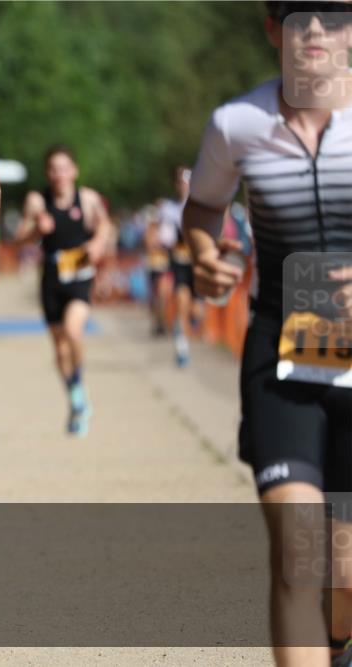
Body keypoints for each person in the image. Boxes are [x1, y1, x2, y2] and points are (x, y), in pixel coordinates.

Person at [182, 3, 351, 665]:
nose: (315, 28)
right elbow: (202, 209)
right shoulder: (237, 124)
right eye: (297, 12)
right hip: (281, 357)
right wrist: (204, 254)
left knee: (343, 574)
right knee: (297, 553)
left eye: (333, 13)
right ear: (271, 26)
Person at [17, 145, 112, 436]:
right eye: (53, 169)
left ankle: (79, 384)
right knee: (59, 348)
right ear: (48, 173)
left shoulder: (88, 198)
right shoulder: (37, 201)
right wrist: (36, 228)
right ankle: (75, 395)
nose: (59, 174)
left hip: (81, 273)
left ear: (74, 170)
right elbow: (21, 237)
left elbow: (105, 226)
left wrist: (97, 243)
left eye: (64, 168)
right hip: (51, 278)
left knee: (73, 331)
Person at [158, 166, 204, 367]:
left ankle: (192, 323)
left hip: (198, 264)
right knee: (181, 302)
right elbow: (164, 237)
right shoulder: (169, 209)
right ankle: (181, 345)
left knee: (197, 311)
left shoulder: (201, 207)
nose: (183, 186)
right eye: (180, 182)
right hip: (179, 263)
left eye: (187, 182)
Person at [143, 202, 173, 336]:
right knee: (155, 297)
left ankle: (163, 321)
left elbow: (171, 245)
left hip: (165, 267)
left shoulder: (167, 229)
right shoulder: (150, 230)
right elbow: (149, 246)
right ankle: (157, 322)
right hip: (153, 266)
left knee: (163, 295)